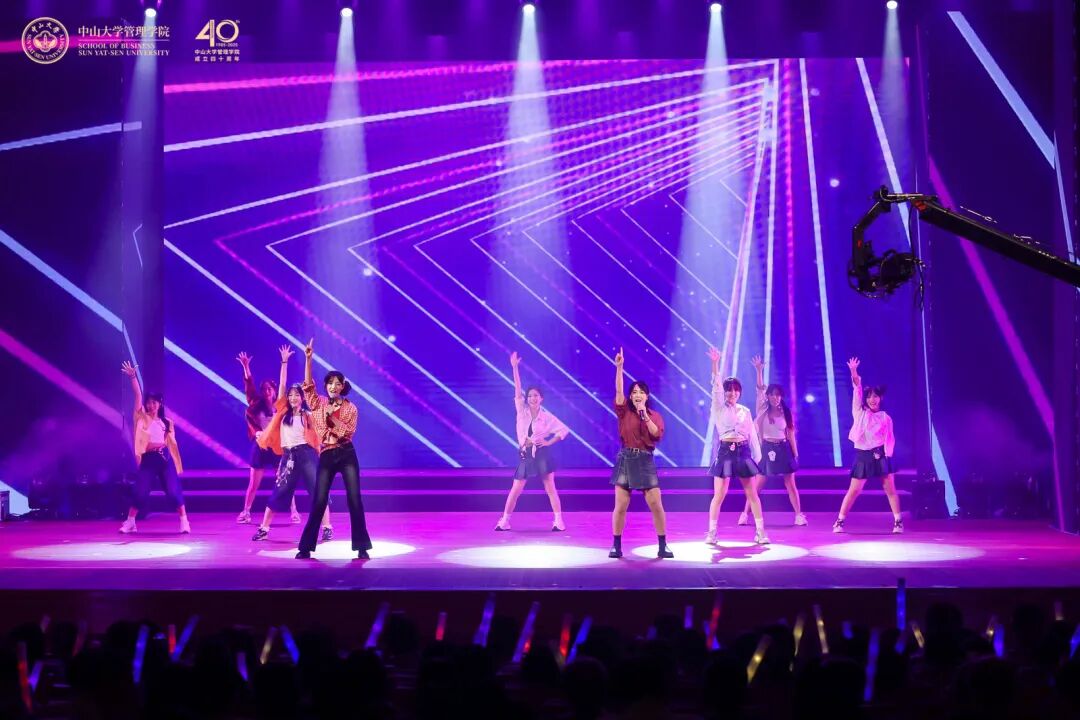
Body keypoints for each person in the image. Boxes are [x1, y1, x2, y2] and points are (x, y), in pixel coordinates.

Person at [295, 338, 372, 559]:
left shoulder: (351, 408)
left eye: (337, 383)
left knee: (354, 499)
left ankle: (362, 546)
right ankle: (306, 547)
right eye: (330, 383)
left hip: (346, 453)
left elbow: (348, 432)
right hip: (327, 454)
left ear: (342, 387)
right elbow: (307, 386)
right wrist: (308, 359)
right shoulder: (318, 403)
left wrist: (333, 418)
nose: (333, 386)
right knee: (319, 500)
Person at [250, 345, 333, 542]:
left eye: (297, 395)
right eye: (291, 395)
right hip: (288, 457)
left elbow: (309, 385)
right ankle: (264, 528)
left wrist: (308, 359)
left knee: (318, 491)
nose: (293, 397)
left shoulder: (308, 415)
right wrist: (284, 362)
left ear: (302, 398)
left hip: (307, 456)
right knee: (279, 491)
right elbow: (282, 384)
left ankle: (327, 528)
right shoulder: (283, 412)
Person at [495, 352, 571, 532]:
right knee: (516, 489)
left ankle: (559, 521)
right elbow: (517, 389)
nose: (532, 398)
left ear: (541, 398)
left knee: (550, 488)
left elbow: (563, 430)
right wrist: (515, 367)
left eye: (536, 396)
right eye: (530, 396)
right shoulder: (522, 411)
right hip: (526, 453)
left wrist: (549, 442)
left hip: (542, 453)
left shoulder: (547, 417)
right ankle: (505, 521)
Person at [609, 347, 672, 559]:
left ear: (647, 395)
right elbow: (618, 392)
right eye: (634, 392)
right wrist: (619, 368)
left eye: (641, 392)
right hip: (626, 458)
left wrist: (645, 416)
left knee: (656, 504)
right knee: (621, 505)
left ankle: (663, 545)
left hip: (645, 460)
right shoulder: (624, 411)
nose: (637, 395)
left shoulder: (654, 415)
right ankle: (616, 545)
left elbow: (656, 434)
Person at [704, 348, 769, 545]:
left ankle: (761, 532)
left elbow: (752, 436)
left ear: (739, 392)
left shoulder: (745, 411)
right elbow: (716, 386)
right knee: (719, 495)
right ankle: (712, 533)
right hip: (725, 452)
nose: (732, 393)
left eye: (735, 390)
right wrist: (715, 364)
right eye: (729, 390)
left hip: (743, 452)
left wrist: (756, 458)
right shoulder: (718, 407)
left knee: (752, 494)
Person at [833, 357, 903, 534]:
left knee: (890, 489)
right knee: (854, 490)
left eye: (875, 396)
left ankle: (898, 522)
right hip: (863, 456)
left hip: (880, 455)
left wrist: (887, 457)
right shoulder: (859, 411)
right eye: (869, 396)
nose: (872, 399)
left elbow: (890, 439)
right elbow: (857, 388)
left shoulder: (885, 417)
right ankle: (839, 521)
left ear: (880, 398)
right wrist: (853, 372)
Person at [119, 361, 189, 534]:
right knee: (140, 492)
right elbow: (137, 395)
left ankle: (184, 521)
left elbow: (170, 444)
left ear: (160, 403)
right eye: (148, 403)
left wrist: (171, 457)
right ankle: (130, 522)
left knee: (173, 492)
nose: (151, 405)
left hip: (164, 459)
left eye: (154, 402)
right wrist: (133, 377)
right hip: (149, 459)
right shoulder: (141, 418)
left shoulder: (167, 423)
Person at [736, 355, 805, 526]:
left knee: (790, 484)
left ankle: (799, 515)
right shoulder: (762, 409)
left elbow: (791, 435)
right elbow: (760, 388)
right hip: (766, 448)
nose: (775, 398)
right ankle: (744, 514)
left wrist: (795, 454)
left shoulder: (786, 413)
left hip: (784, 448)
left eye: (778, 395)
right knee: (757, 485)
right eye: (772, 395)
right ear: (767, 396)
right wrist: (759, 370)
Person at [235, 352, 299, 525]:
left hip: (278, 448)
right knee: (253, 484)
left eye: (269, 389)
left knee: (285, 480)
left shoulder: (280, 405)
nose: (266, 392)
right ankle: (246, 511)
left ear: (274, 390)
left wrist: (284, 362)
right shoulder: (257, 404)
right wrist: (246, 367)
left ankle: (294, 511)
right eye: (263, 389)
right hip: (261, 447)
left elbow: (283, 383)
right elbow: (249, 387)